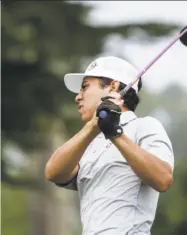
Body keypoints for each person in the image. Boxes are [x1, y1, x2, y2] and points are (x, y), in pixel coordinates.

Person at [45, 56, 174, 235]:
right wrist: (92, 126)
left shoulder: (144, 126)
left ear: (113, 86)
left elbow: (163, 179)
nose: (77, 97)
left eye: (85, 86)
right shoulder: (88, 143)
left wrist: (115, 133)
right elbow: (53, 173)